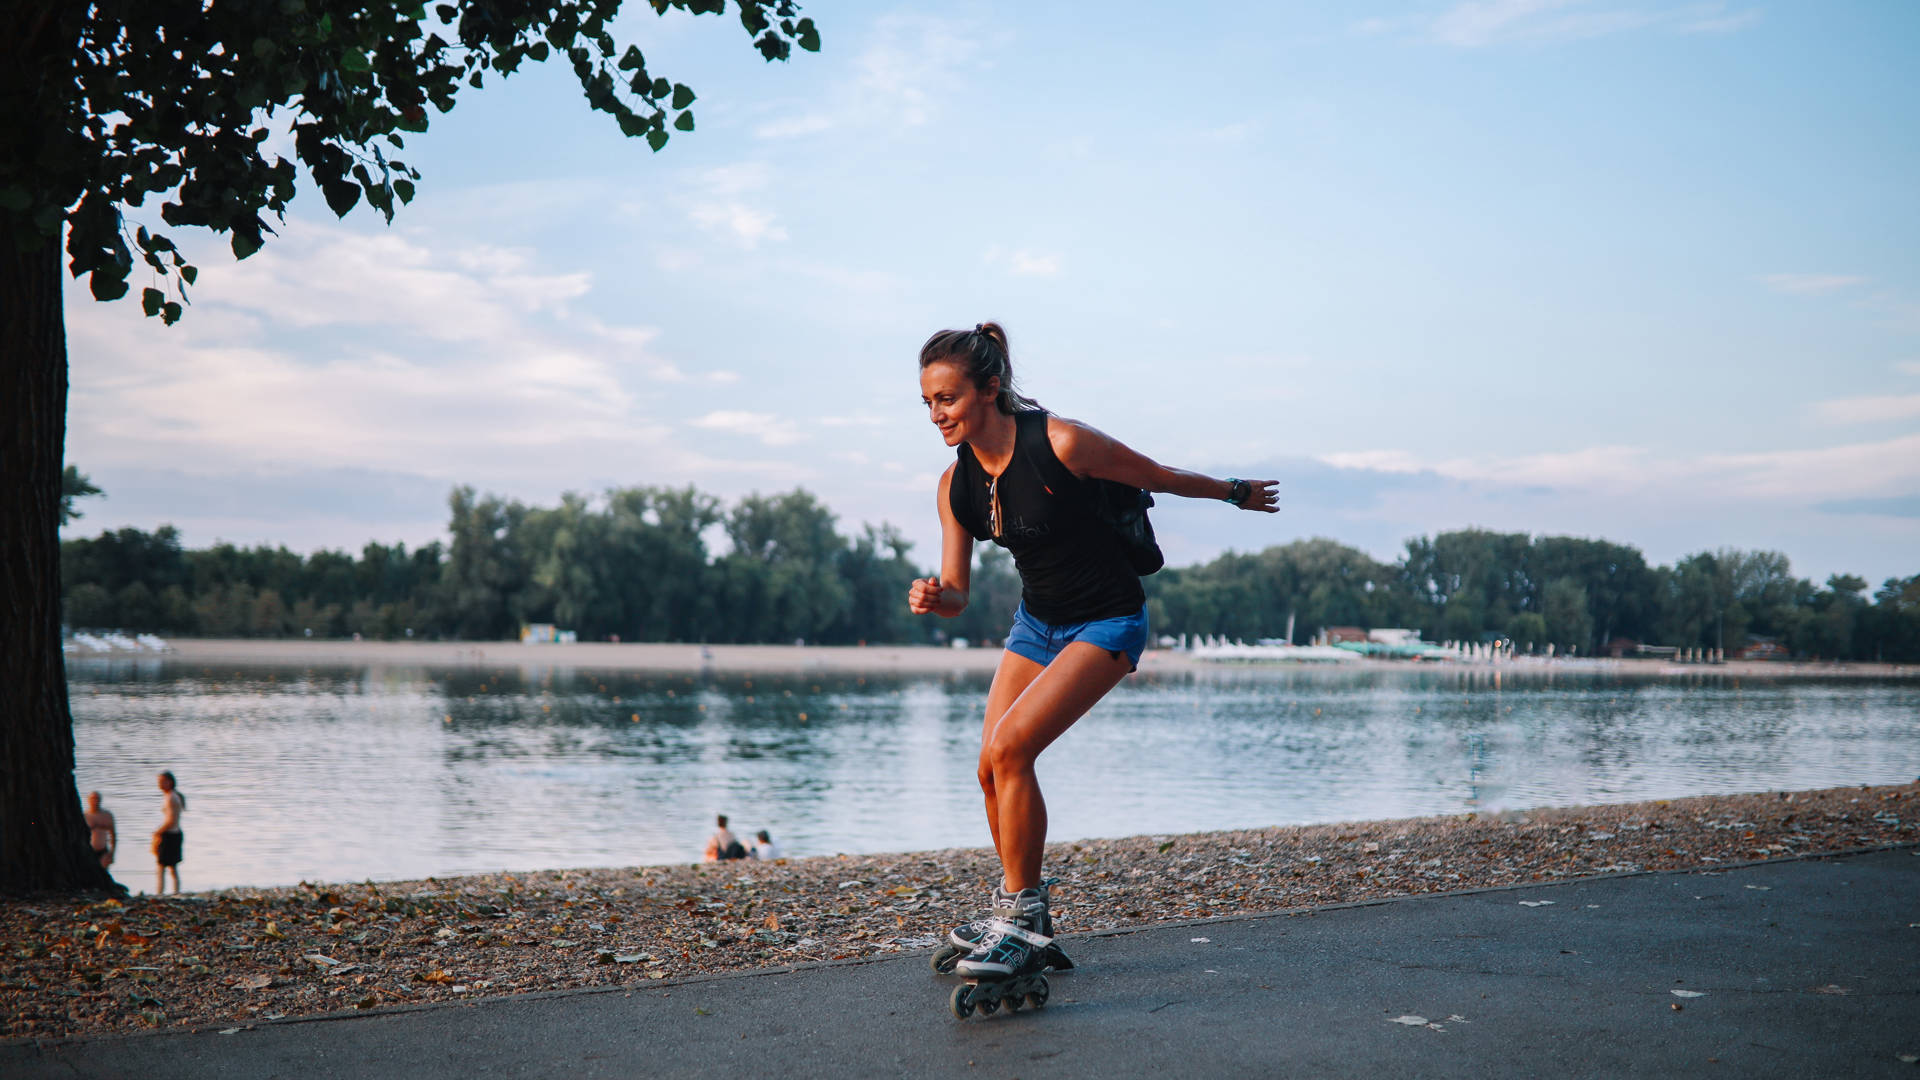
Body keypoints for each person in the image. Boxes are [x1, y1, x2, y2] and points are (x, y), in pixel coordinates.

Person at [908, 322, 1277, 1004]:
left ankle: (1019, 920)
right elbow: (957, 592)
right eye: (927, 402)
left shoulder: (1061, 442)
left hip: (1108, 620)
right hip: (1035, 626)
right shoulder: (955, 485)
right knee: (990, 765)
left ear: (989, 389)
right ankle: (1025, 910)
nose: (937, 414)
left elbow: (1155, 476)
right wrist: (939, 597)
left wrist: (1232, 491)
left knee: (1012, 749)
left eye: (948, 398)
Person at [152, 771, 186, 894]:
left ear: (169, 782)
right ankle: (175, 891)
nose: (159, 784)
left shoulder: (171, 797)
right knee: (172, 866)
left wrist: (157, 832)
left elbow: (170, 820)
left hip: (170, 834)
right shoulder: (172, 795)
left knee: (162, 866)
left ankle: (160, 893)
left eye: (162, 781)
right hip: (175, 833)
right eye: (159, 782)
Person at [84, 791, 116, 870]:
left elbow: (113, 836)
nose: (95, 801)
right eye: (93, 799)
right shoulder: (84, 816)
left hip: (103, 851)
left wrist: (112, 853)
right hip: (88, 851)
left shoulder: (107, 815)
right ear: (88, 801)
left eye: (97, 799)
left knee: (103, 874)